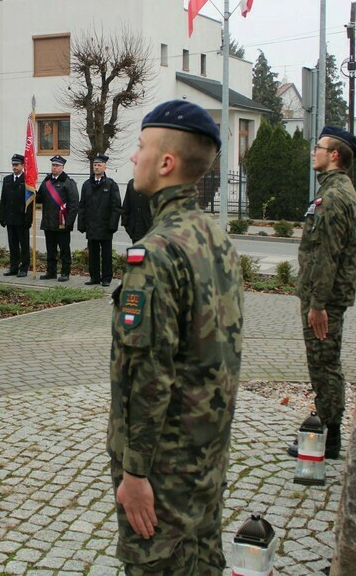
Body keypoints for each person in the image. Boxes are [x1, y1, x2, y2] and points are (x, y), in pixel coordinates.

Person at [108, 100, 243, 574]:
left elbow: (149, 375)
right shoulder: (215, 236)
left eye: (141, 146)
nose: (133, 157)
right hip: (206, 455)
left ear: (166, 163)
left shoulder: (156, 254)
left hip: (165, 468)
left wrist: (136, 473)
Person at [286, 125, 356, 462]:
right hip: (325, 296)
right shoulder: (336, 190)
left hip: (325, 300)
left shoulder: (333, 197)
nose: (312, 152)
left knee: (324, 365)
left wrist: (317, 305)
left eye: (318, 147)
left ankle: (328, 440)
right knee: (323, 364)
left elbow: (329, 254)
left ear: (334, 155)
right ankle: (326, 433)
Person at [77, 154, 122, 287]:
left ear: (105, 167)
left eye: (99, 165)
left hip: (105, 226)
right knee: (93, 253)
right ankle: (94, 277)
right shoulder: (86, 185)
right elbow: (82, 206)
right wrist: (82, 224)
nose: (96, 167)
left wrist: (113, 225)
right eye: (95, 165)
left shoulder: (111, 184)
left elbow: (116, 206)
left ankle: (107, 278)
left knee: (106, 254)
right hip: (91, 225)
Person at [37, 155, 79, 282]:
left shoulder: (68, 183)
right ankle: (51, 272)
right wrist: (32, 190)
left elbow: (74, 203)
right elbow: (39, 199)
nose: (54, 168)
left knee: (64, 250)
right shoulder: (47, 182)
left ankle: (65, 272)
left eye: (57, 165)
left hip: (62, 222)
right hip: (48, 221)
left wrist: (69, 222)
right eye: (53, 165)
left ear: (62, 167)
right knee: (50, 249)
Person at [0, 153, 33, 277]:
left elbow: (30, 202)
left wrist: (28, 218)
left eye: (17, 165)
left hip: (22, 218)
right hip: (10, 217)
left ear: (23, 165)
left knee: (23, 245)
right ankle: (13, 267)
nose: (14, 167)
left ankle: (24, 267)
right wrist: (2, 216)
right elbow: (4, 200)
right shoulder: (7, 179)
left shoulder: (27, 180)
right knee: (12, 245)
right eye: (13, 164)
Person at [121, 178, 153, 243]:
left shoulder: (156, 184)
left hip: (151, 233)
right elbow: (126, 206)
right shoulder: (131, 184)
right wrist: (128, 226)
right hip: (135, 233)